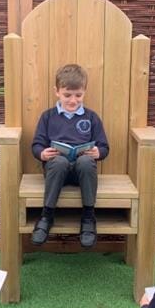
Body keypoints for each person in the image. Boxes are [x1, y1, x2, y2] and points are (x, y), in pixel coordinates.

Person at [30, 63, 109, 248]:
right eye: (67, 95)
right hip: (56, 172)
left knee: (86, 161)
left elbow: (104, 147)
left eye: (78, 95)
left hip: (82, 174)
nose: (73, 101)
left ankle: (88, 217)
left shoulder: (91, 117)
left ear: (84, 92)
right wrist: (42, 153)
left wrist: (98, 152)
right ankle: (46, 216)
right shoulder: (48, 117)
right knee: (59, 162)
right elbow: (36, 145)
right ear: (57, 92)